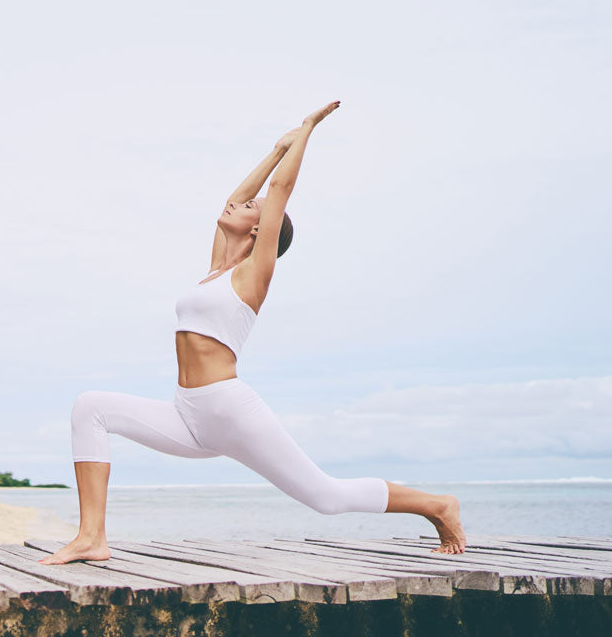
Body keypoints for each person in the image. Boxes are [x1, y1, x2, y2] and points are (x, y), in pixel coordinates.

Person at [40, 101, 466, 565]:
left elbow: (280, 191)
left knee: (326, 497)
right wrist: (273, 150)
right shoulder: (216, 270)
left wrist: (305, 133)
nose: (237, 205)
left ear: (263, 228)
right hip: (189, 416)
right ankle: (91, 538)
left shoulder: (251, 276)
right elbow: (233, 199)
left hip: (230, 410)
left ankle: (437, 505)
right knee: (91, 408)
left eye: (252, 208)